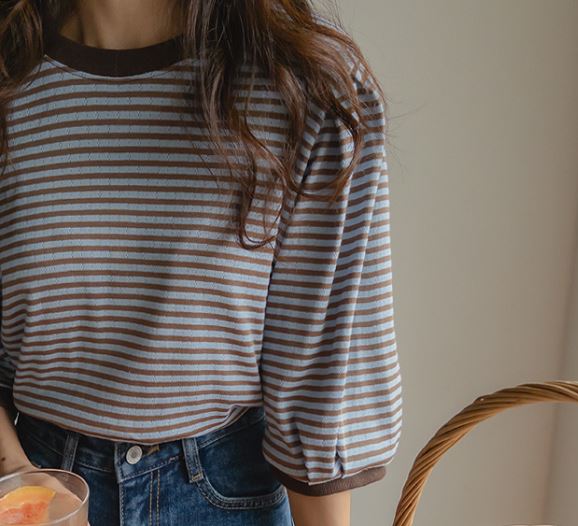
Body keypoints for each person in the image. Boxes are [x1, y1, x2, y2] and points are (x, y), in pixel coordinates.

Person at [0, 1, 403, 525]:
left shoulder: (304, 80)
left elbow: (318, 379)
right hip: (38, 490)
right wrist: (16, 477)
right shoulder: (11, 74)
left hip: (229, 497)